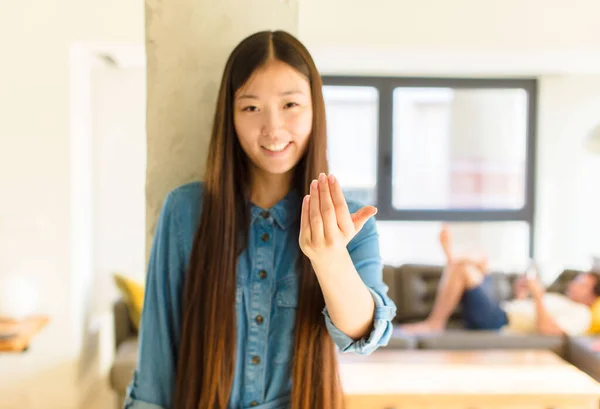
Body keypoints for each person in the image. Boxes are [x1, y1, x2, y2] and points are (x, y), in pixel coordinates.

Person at [124, 31, 396, 409]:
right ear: (230, 116)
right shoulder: (185, 212)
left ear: (315, 109)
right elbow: (156, 362)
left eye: (290, 105)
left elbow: (364, 334)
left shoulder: (346, 218)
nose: (273, 129)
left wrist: (329, 257)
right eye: (251, 108)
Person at [400, 226, 600, 336]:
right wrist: (522, 293)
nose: (573, 284)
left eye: (581, 284)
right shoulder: (562, 299)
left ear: (593, 296)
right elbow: (528, 312)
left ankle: (435, 323)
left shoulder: (581, 314)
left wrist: (538, 295)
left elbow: (549, 330)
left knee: (464, 268)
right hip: (501, 309)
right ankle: (451, 259)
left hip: (498, 321)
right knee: (480, 260)